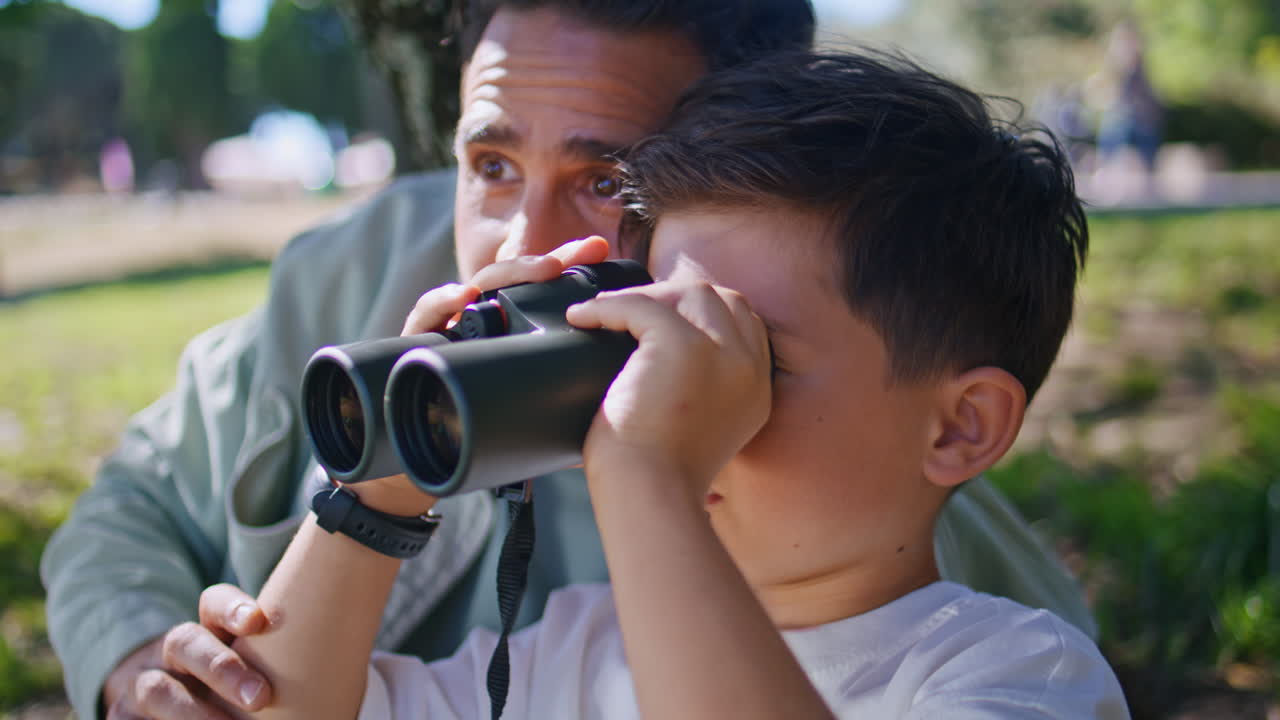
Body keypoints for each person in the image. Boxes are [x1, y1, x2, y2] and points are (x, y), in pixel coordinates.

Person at [40, 3, 1095, 719]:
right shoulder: (576, 646)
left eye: (739, 358)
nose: (518, 248)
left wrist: (644, 476)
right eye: (491, 165)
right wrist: (373, 498)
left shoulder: (1003, 665)